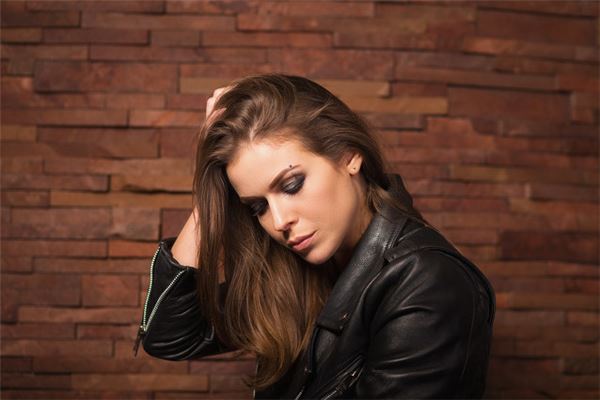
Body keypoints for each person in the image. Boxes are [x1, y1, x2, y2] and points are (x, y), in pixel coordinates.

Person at [133, 74, 496, 399]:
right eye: (257, 206)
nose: (279, 221)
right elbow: (169, 335)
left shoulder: (426, 283)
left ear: (349, 156)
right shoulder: (293, 271)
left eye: (292, 185)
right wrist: (211, 196)